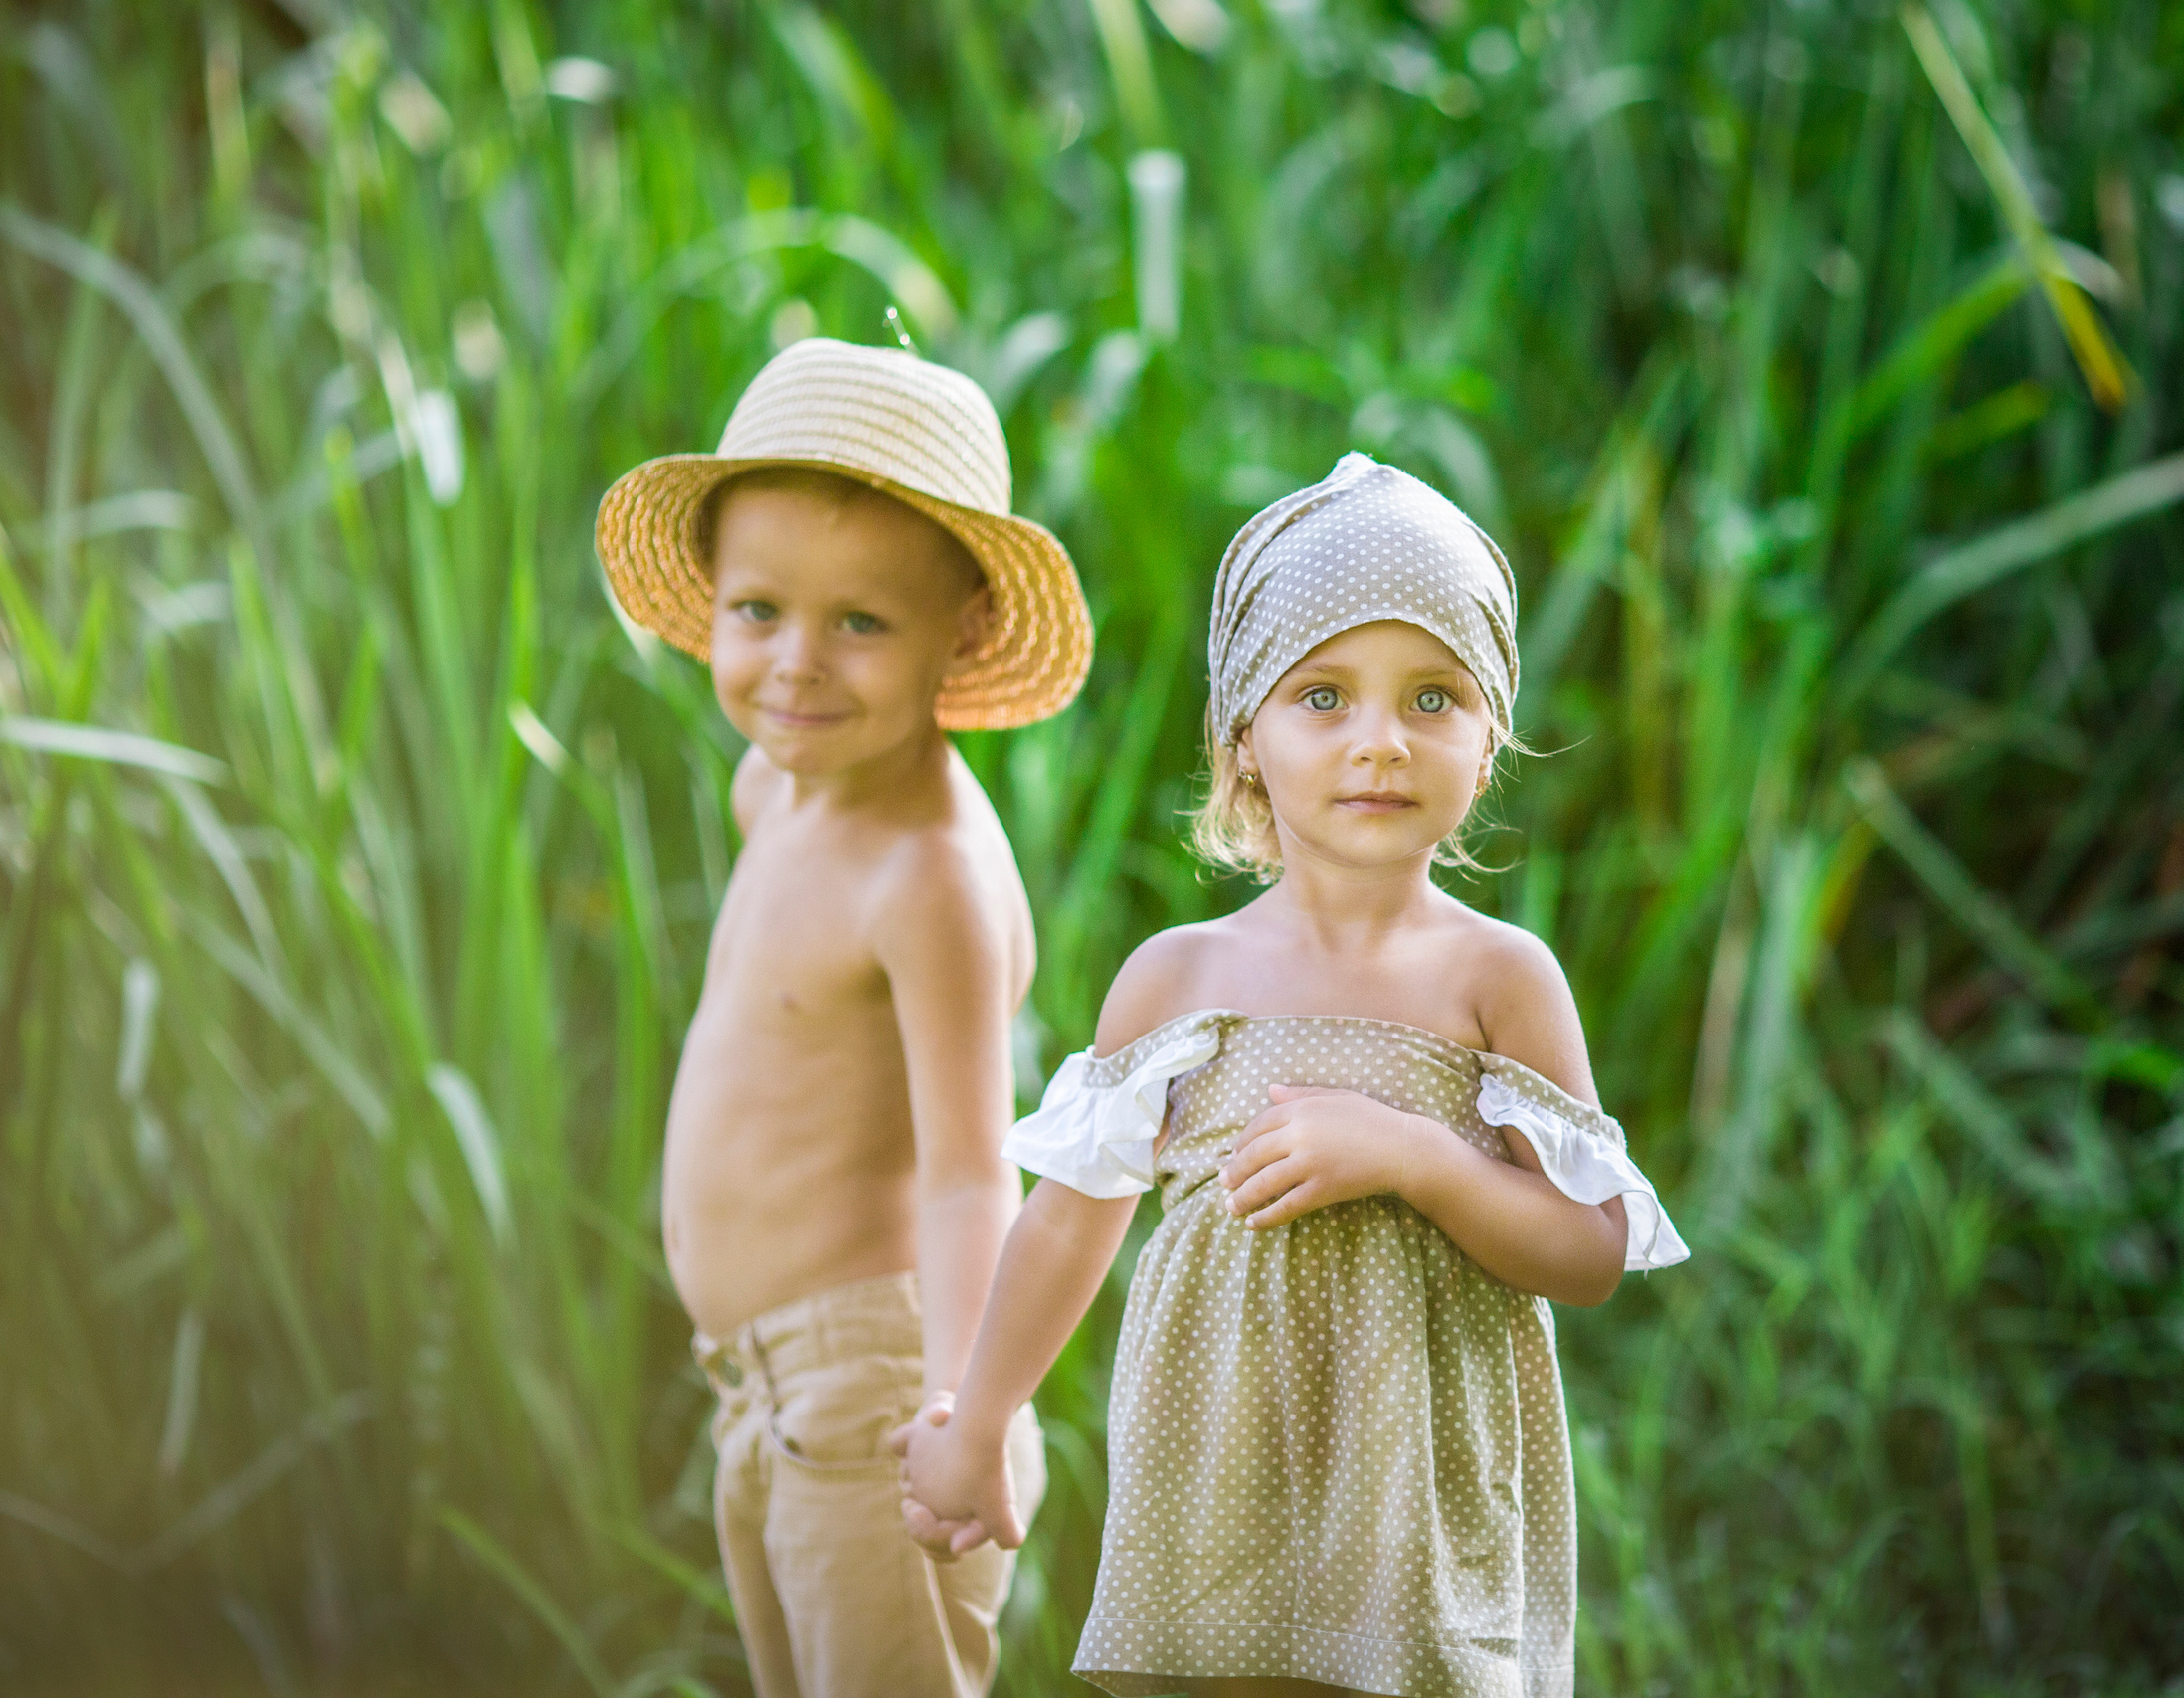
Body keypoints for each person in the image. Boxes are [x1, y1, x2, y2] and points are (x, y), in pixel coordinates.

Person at [892, 453, 1689, 1698]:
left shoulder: (1499, 980)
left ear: (1489, 741)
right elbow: (1067, 1226)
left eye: (1433, 698)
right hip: (1220, 1506)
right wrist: (982, 1421)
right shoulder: (1178, 981)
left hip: (1415, 1515)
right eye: (1323, 697)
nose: (1380, 741)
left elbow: (1586, 1255)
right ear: (1243, 737)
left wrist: (1419, 1158)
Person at [594, 336, 1093, 1697]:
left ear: (968, 630)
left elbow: (971, 1164)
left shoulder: (927, 875)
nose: (795, 663)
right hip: (756, 1386)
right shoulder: (777, 788)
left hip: (881, 1392)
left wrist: (966, 1411)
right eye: (758, 610)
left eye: (861, 621)